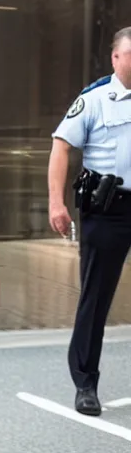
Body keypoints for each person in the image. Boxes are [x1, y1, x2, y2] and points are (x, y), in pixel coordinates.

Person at [48, 26, 131, 416]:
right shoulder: (95, 99)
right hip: (107, 210)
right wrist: (55, 203)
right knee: (95, 298)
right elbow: (61, 146)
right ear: (115, 58)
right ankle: (85, 383)